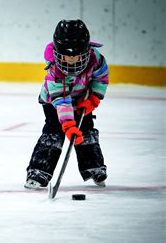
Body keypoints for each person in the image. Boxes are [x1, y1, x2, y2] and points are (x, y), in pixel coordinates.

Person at [24, 19, 109, 189]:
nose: (70, 59)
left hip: (81, 99)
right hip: (54, 102)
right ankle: (39, 171)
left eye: (75, 54)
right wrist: (68, 125)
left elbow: (101, 78)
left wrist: (93, 99)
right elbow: (62, 100)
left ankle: (93, 166)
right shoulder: (54, 71)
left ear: (86, 50)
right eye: (66, 55)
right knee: (54, 131)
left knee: (86, 130)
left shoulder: (96, 59)